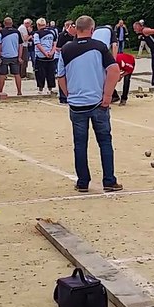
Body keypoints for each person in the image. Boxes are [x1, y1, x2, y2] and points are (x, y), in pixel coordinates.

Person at [56, 16, 122, 193]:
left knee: (80, 144)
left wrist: (68, 93)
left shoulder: (66, 49)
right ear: (92, 29)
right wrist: (107, 95)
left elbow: (60, 76)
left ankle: (83, 182)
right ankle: (109, 180)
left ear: (75, 29)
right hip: (97, 102)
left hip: (77, 104)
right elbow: (114, 70)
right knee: (105, 142)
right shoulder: (99, 47)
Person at [0, 17, 23, 96]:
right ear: (12, 23)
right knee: (17, 74)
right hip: (14, 55)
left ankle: (0, 92)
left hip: (4, 56)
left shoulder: (1, 32)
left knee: (2, 75)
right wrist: (19, 56)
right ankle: (19, 91)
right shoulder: (17, 32)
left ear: (4, 24)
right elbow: (20, 45)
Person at [33, 18, 58, 95]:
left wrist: (45, 53)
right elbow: (55, 43)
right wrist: (52, 52)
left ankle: (40, 89)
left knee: (40, 73)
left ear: (38, 25)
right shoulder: (52, 32)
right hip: (51, 55)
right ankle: (50, 89)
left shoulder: (37, 34)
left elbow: (38, 45)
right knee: (50, 73)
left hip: (41, 56)